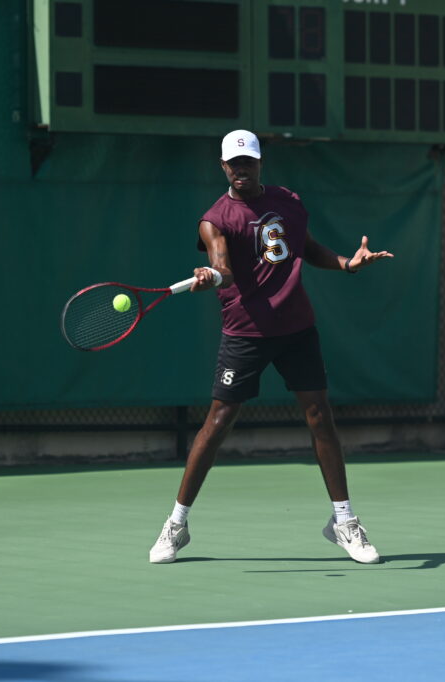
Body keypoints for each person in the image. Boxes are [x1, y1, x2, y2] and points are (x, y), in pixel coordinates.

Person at [148, 130, 393, 565]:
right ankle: (176, 525)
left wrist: (346, 264)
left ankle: (344, 522)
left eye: (248, 162)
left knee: (320, 416)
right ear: (223, 167)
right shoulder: (215, 219)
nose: (241, 169)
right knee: (219, 421)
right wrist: (212, 276)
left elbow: (307, 249)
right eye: (233, 163)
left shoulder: (289, 201)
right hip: (245, 331)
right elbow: (222, 266)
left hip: (297, 327)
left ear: (260, 163)